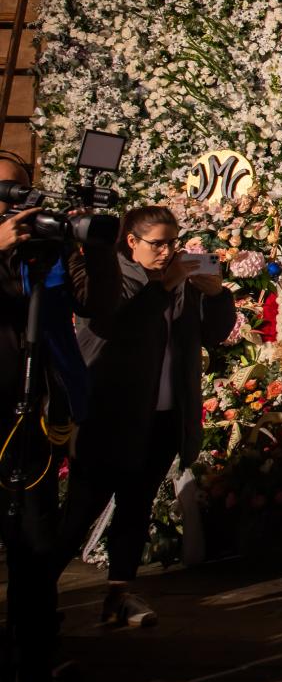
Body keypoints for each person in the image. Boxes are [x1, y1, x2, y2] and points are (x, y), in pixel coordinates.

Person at [57, 205, 236, 627]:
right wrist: (166, 284)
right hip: (111, 415)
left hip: (163, 415)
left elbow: (214, 334)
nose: (167, 251)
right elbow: (119, 324)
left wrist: (216, 294)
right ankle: (36, 594)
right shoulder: (110, 278)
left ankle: (119, 595)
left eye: (173, 242)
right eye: (158, 243)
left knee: (135, 507)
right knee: (81, 510)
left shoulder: (180, 282)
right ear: (131, 242)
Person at [0, 154, 119, 682]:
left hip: (36, 412)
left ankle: (35, 658)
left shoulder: (45, 252)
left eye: (21, 193)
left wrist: (92, 249)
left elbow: (98, 303)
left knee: (36, 539)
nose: (15, 205)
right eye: (4, 194)